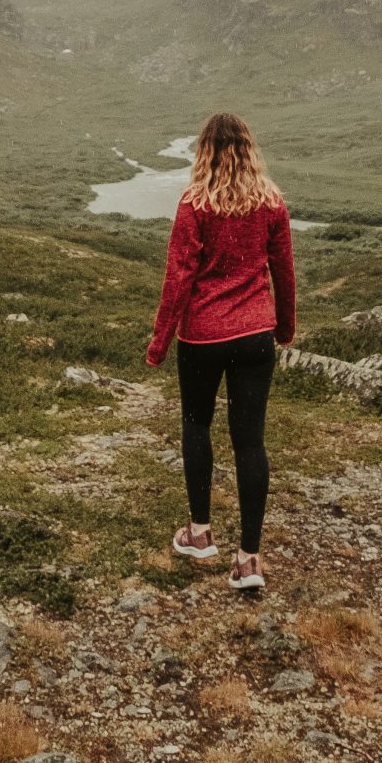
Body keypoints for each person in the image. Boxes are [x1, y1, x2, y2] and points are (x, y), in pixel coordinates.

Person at [144, 111, 295, 591]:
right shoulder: (271, 203)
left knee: (197, 425)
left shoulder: (194, 204)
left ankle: (201, 533)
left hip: (202, 337)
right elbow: (284, 272)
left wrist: (159, 341)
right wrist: (285, 328)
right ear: (249, 150)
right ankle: (249, 560)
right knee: (250, 442)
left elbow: (178, 277)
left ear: (204, 151)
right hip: (255, 336)